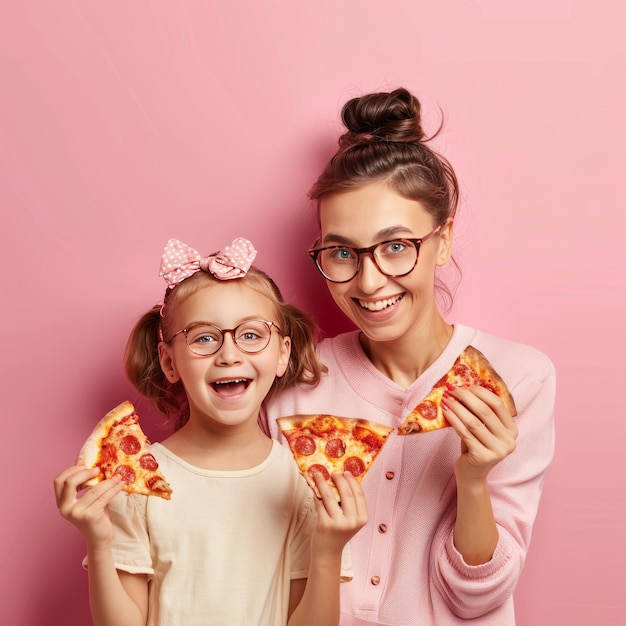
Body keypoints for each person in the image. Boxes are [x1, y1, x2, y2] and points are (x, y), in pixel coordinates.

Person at [261, 88, 556, 625]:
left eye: (396, 245)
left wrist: (473, 476)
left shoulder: (520, 377)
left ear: (441, 241)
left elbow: (478, 601)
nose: (369, 281)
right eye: (342, 252)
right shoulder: (293, 383)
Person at [54, 237, 368, 626]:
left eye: (251, 334)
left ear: (282, 354)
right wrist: (98, 543)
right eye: (204, 338)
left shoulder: (305, 483)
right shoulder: (136, 482)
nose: (229, 354)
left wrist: (328, 549)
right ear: (169, 362)